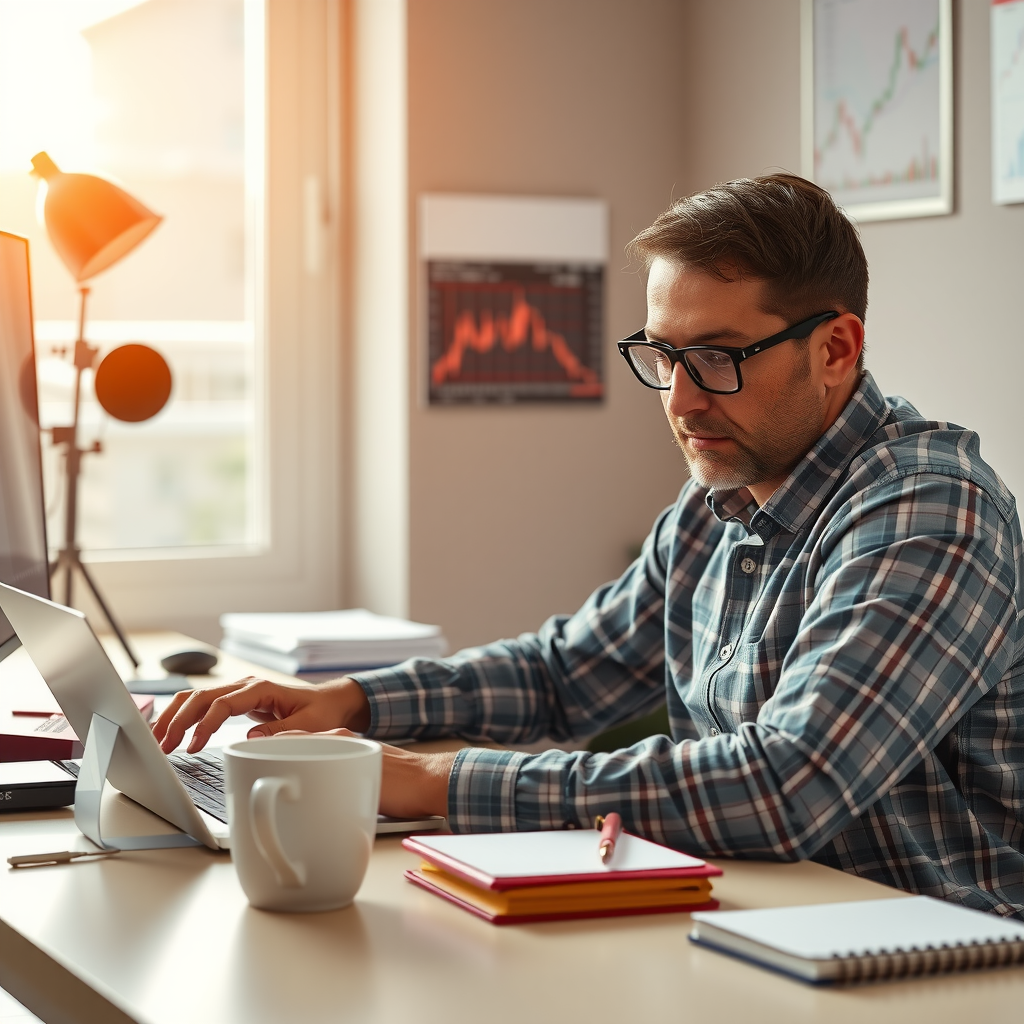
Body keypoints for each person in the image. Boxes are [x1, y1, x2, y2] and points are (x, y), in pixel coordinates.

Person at [154, 174, 1024, 918]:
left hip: (940, 972)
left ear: (835, 348)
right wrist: (352, 703)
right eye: (662, 355)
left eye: (718, 358)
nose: (681, 402)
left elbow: (786, 784)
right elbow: (565, 673)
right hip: (763, 930)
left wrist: (433, 782)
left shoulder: (930, 510)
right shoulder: (715, 503)